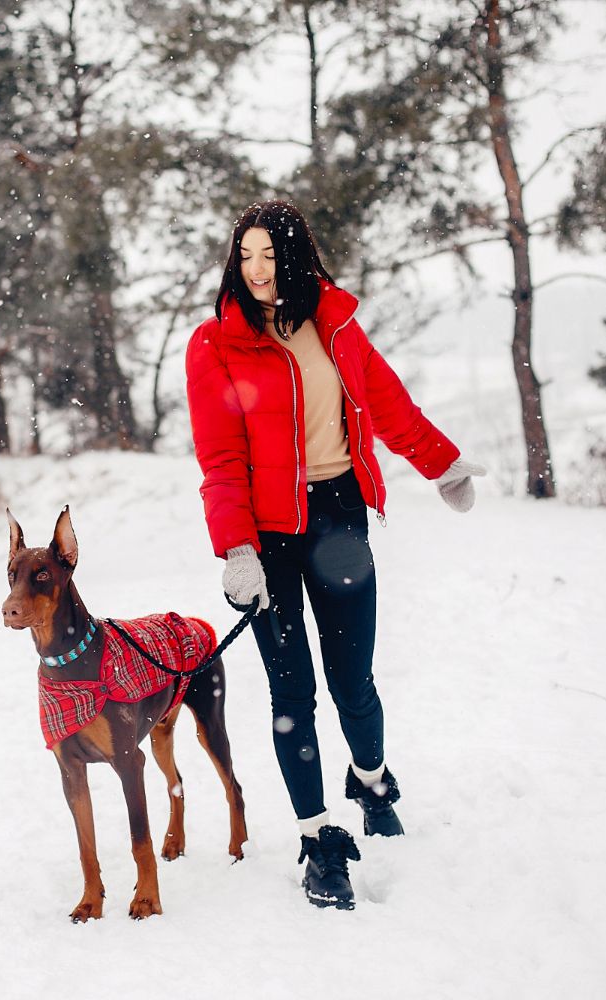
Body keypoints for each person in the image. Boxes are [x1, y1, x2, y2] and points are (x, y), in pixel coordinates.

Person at [185, 199, 484, 910]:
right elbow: (220, 459)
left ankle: (373, 781)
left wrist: (441, 465)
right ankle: (318, 839)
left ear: (294, 256)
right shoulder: (215, 345)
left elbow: (388, 405)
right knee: (293, 693)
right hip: (267, 539)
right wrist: (236, 550)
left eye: (269, 255)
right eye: (245, 255)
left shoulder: (335, 324)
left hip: (341, 519)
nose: (256, 271)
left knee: (354, 682)